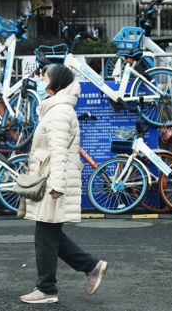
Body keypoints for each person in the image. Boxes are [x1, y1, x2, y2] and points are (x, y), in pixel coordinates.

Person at [19, 64, 107, 305]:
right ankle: (91, 267)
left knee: (45, 235)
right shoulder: (57, 108)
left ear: (55, 82)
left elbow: (58, 152)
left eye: (45, 77)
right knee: (50, 234)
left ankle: (47, 289)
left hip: (51, 179)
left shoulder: (58, 112)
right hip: (49, 176)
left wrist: (56, 185)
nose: (41, 80)